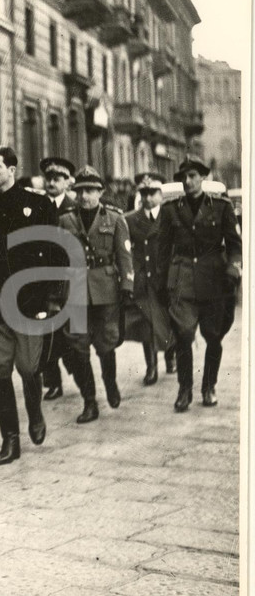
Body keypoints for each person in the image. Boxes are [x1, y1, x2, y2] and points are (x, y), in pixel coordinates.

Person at [0, 145, 62, 465]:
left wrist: (51, 299)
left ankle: (34, 411)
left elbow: (56, 253)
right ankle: (10, 439)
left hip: (30, 302)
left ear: (12, 170)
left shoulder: (39, 204)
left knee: (30, 368)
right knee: (1, 371)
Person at [156, 155, 242, 411]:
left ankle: (209, 386)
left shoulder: (222, 207)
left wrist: (233, 271)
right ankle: (184, 390)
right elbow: (162, 249)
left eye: (193, 176)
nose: (188, 181)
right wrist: (162, 283)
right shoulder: (170, 209)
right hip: (182, 280)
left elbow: (236, 246)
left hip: (214, 280)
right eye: (184, 177)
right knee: (183, 336)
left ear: (203, 177)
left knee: (214, 337)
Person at [57, 166, 134, 424]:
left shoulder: (115, 219)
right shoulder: (66, 220)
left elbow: (124, 255)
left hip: (106, 290)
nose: (85, 196)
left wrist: (127, 287)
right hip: (76, 291)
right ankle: (89, 401)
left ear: (100, 192)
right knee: (78, 348)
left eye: (90, 191)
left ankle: (109, 383)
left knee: (106, 343)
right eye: (80, 191)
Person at [124, 172, 176, 386]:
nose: (147, 198)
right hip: (144, 280)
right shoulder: (130, 219)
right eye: (143, 193)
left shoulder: (170, 217)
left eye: (152, 192)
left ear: (161, 194)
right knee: (147, 325)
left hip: (164, 279)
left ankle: (170, 355)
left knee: (169, 321)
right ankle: (151, 366)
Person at [38, 156, 77, 402]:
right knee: (45, 332)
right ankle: (52, 382)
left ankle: (75, 368)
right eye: (49, 178)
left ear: (67, 182)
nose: (52, 183)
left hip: (68, 279)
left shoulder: (75, 207)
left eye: (57, 179)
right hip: (41, 278)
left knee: (69, 332)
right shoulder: (37, 206)